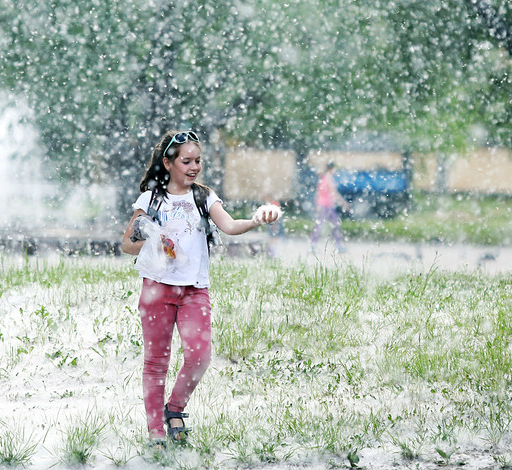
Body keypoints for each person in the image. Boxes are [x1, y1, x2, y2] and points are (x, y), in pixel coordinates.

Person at [121, 130, 280, 448]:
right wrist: (151, 237)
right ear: (168, 163)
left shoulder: (204, 197)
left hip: (194, 290)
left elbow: (231, 225)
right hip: (156, 288)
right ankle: (155, 431)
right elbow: (127, 245)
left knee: (200, 355)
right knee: (156, 362)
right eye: (186, 161)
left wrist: (258, 220)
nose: (194, 167)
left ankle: (174, 409)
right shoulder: (150, 200)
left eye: (198, 161)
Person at [310, 162, 348, 252]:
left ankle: (313, 245)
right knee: (334, 225)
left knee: (321, 225)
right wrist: (343, 202)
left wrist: (317, 204)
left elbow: (318, 193)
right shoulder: (328, 178)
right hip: (327, 206)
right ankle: (338, 245)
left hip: (324, 205)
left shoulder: (322, 178)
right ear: (331, 169)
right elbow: (333, 192)